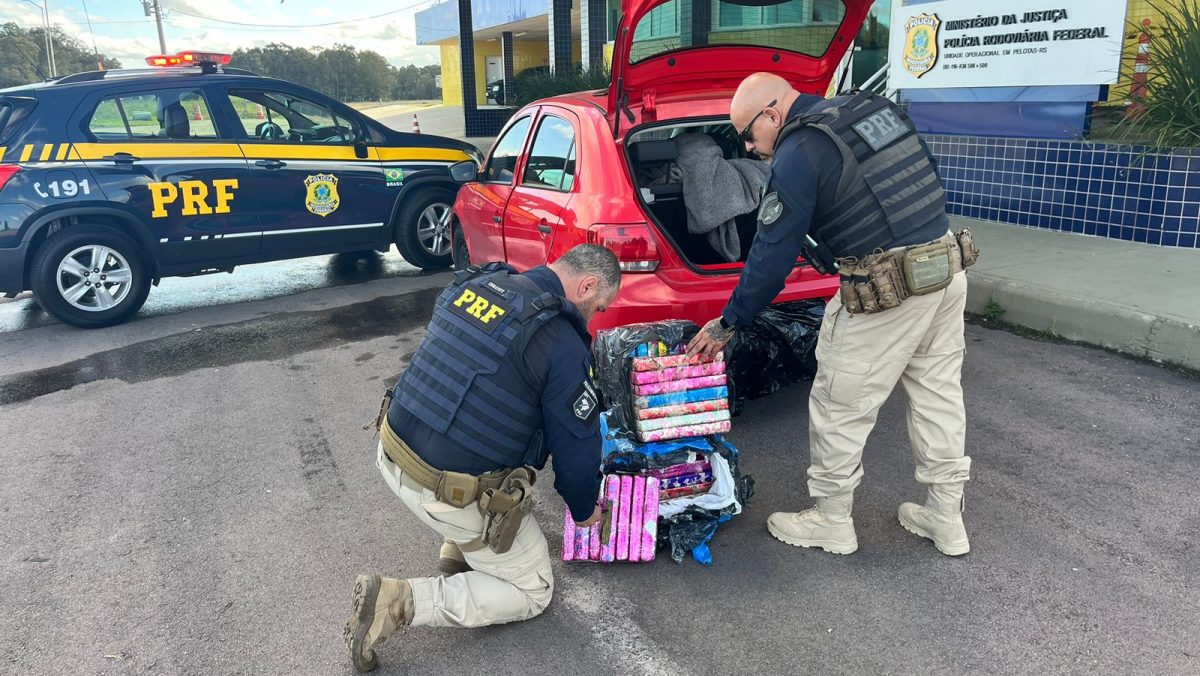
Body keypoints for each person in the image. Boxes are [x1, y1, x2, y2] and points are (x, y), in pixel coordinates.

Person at [688, 72, 978, 558]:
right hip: (945, 272)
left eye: (747, 135)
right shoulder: (872, 109)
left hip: (888, 291)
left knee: (839, 404)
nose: (751, 148)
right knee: (937, 396)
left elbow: (772, 254)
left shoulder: (800, 150)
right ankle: (946, 517)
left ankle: (831, 519)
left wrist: (729, 321)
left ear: (773, 114)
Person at [345, 244, 621, 672]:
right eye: (599, 306)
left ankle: (461, 550)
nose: (595, 316)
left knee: (496, 416)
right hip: (441, 489)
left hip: (390, 451)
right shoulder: (561, 341)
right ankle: (397, 602)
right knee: (534, 590)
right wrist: (586, 512)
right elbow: (576, 452)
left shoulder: (476, 283)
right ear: (586, 286)